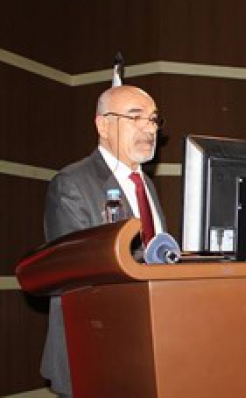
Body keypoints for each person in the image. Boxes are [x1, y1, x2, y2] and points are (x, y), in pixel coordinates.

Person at [42, 85, 167, 397]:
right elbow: (74, 276)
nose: (149, 128)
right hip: (93, 349)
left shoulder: (146, 185)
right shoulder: (72, 183)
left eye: (153, 119)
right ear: (103, 125)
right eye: (135, 117)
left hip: (145, 347)